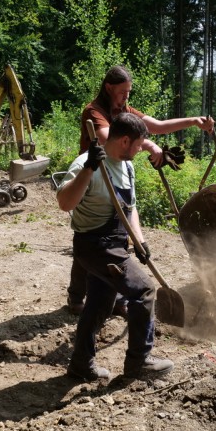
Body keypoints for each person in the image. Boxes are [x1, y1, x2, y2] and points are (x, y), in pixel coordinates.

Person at [67, 65, 215, 316]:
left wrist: (193, 121)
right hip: (93, 175)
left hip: (117, 173)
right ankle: (77, 297)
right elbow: (106, 137)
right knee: (89, 234)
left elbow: (156, 125)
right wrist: (148, 146)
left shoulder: (123, 110)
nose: (127, 97)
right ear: (109, 88)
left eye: (129, 92)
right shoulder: (94, 112)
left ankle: (107, 297)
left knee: (112, 235)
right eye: (123, 92)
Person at [56, 113, 173, 382]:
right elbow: (65, 203)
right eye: (139, 144)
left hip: (116, 242)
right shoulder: (87, 164)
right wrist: (88, 169)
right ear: (123, 141)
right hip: (94, 244)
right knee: (143, 290)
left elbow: (129, 208)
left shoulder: (126, 165)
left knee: (99, 303)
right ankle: (138, 363)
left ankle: (80, 364)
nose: (140, 149)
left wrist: (139, 240)